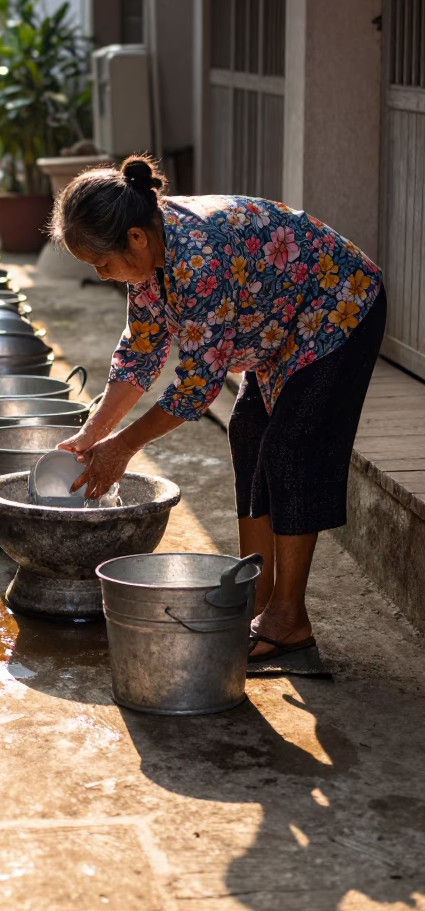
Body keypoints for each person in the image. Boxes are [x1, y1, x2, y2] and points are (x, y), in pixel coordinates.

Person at [50, 156, 386, 661]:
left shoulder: (198, 256)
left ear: (136, 239)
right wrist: (92, 433)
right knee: (248, 432)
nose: (102, 275)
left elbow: (196, 388)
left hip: (339, 307)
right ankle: (257, 596)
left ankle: (288, 618)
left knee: (291, 449)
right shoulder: (148, 258)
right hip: (279, 327)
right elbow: (142, 349)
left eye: (103, 263)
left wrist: (122, 447)